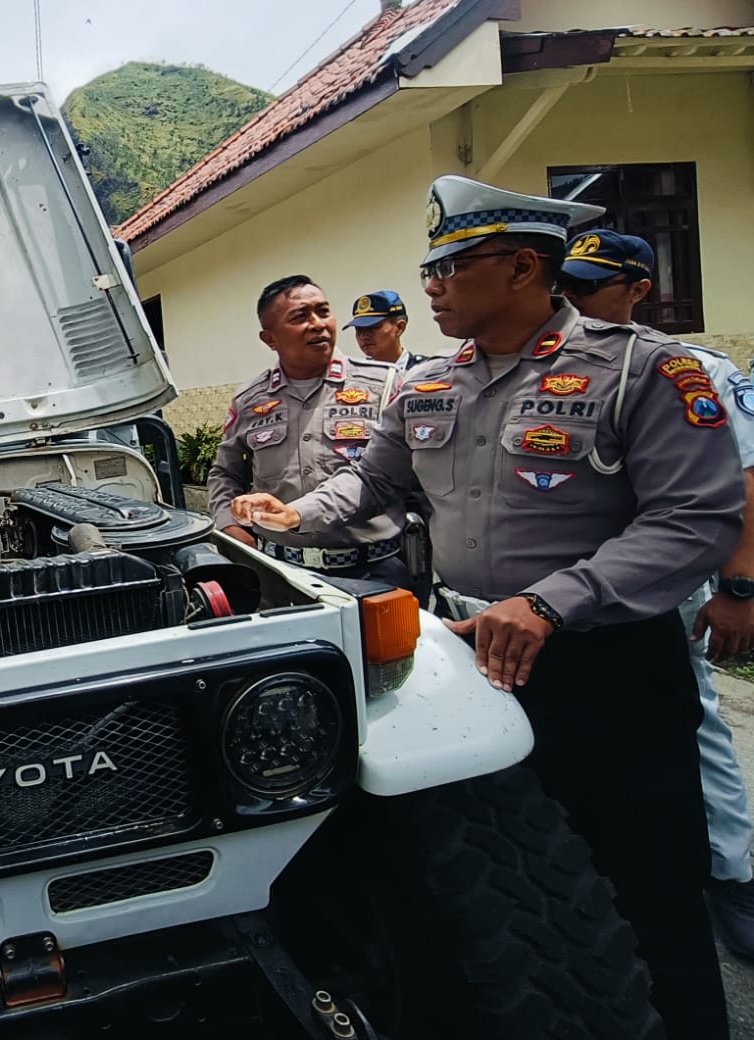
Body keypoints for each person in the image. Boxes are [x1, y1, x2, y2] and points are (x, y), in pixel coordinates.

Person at [230, 175, 742, 1039]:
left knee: (648, 884)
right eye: (429, 266)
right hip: (469, 659)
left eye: (451, 265)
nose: (430, 285)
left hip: (604, 666)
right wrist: (291, 514)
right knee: (513, 881)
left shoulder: (641, 370)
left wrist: (552, 602)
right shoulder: (429, 384)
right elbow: (372, 481)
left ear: (522, 267)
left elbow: (696, 519)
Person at [560, 228, 754, 960]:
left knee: (695, 722)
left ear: (640, 288)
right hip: (571, 592)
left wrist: (739, 588)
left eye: (591, 286)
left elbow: (745, 479)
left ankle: (732, 872)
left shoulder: (690, 369)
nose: (574, 300)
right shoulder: (552, 370)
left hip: (661, 588)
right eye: (568, 285)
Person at [208, 275, 409, 588]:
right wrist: (227, 524)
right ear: (270, 339)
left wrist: (295, 514)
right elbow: (225, 473)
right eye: (300, 317)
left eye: (323, 312)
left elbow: (384, 478)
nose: (318, 324)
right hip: (280, 572)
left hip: (373, 571)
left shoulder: (385, 385)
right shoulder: (250, 399)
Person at [344, 289, 431, 370]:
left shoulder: (426, 371)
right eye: (358, 329)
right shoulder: (354, 376)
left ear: (399, 327)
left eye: (373, 327)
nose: (363, 336)